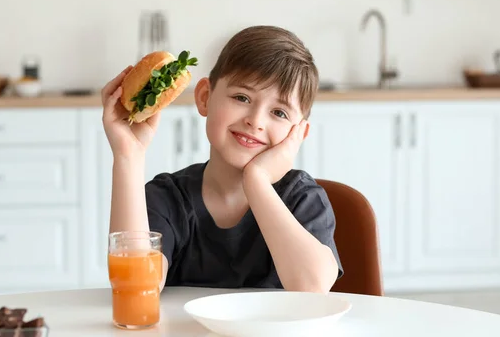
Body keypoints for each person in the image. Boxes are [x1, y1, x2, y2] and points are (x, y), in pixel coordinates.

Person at [101, 25, 343, 294]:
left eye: (279, 112)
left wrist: (258, 182)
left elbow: (313, 288)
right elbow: (135, 289)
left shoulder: (303, 199)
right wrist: (128, 155)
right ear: (205, 97)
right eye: (242, 97)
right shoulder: (167, 198)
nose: (256, 120)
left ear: (299, 134)